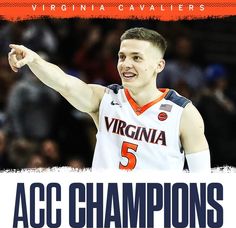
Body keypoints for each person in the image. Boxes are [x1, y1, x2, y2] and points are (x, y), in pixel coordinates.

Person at [8, 27, 210, 172]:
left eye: (136, 58)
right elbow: (65, 84)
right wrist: (35, 60)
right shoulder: (105, 98)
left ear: (159, 65)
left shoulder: (183, 113)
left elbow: (201, 183)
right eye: (122, 57)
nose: (126, 64)